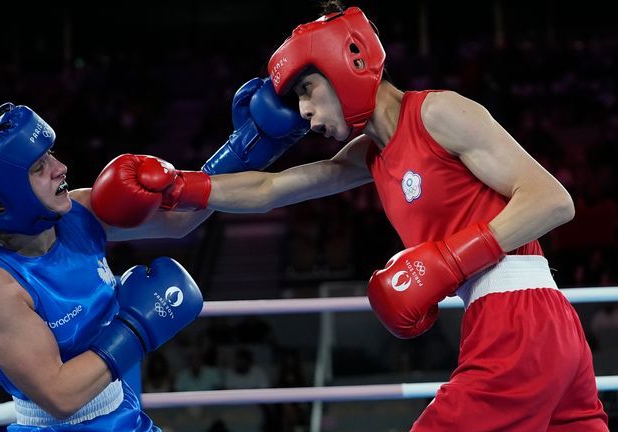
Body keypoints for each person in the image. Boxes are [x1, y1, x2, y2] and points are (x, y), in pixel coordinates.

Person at [92, 4, 609, 431]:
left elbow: (552, 200)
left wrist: (449, 261)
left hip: (520, 322)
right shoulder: (372, 155)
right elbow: (273, 188)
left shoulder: (438, 113)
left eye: (307, 93)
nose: (306, 115)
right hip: (527, 325)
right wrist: (183, 184)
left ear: (347, 64)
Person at [0, 70, 309, 431]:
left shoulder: (77, 212)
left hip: (123, 413)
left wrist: (249, 147)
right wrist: (137, 323)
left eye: (52, 155)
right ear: (3, 198)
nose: (61, 168)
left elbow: (180, 220)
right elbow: (61, 396)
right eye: (39, 167)